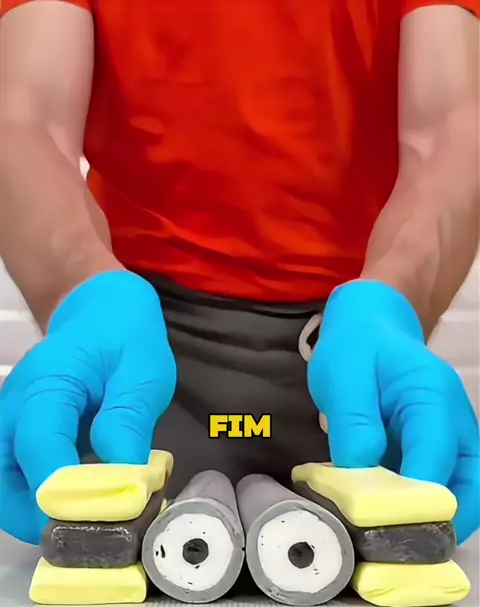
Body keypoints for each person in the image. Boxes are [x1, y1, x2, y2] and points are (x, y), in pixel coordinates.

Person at [0, 0, 478, 547]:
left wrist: (394, 306)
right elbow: (29, 122)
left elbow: (449, 133)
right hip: (139, 365)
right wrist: (84, 295)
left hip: (353, 361)